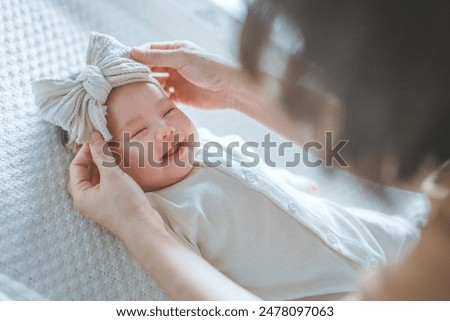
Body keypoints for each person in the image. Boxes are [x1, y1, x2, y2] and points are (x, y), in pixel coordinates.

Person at [68, 1, 450, 300]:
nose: (165, 130)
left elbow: (263, 173)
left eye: (168, 110)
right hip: (335, 293)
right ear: (111, 162)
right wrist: (139, 219)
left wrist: (294, 184)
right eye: (137, 135)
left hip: (391, 240)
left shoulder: (213, 147)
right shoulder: (167, 212)